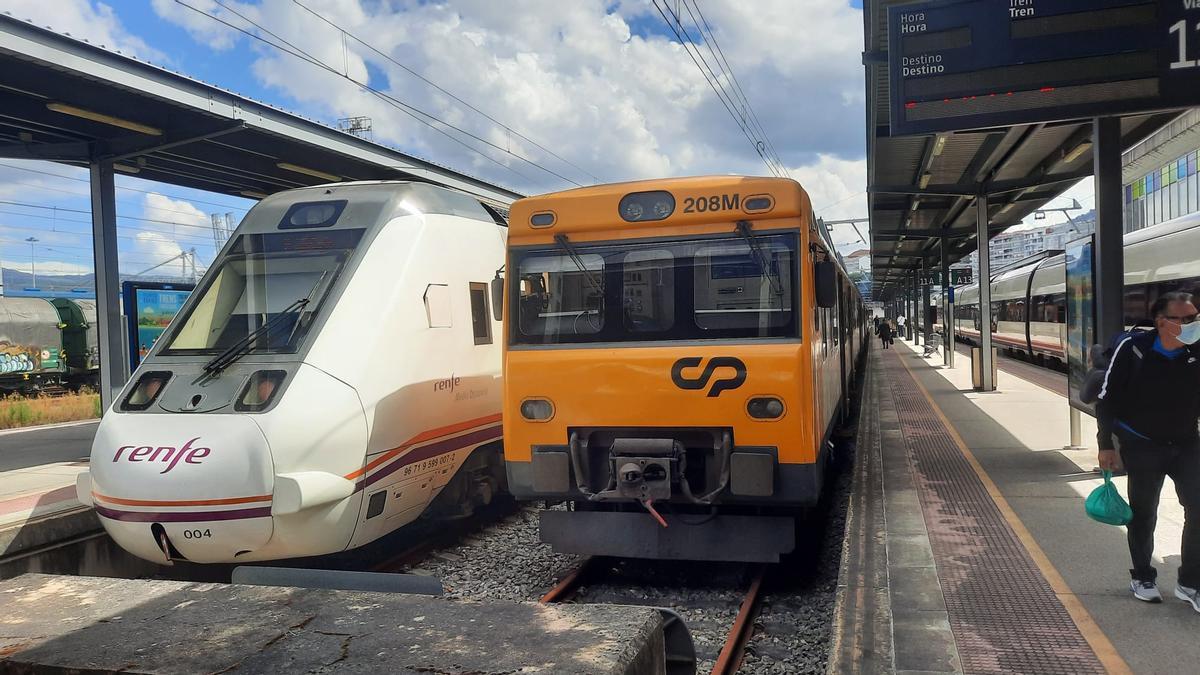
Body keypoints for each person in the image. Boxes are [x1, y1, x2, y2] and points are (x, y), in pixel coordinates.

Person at [1096, 292, 1200, 610]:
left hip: (1186, 443)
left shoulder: (1197, 350)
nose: (1189, 324)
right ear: (1160, 321)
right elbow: (1107, 397)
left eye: (1193, 318)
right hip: (1141, 443)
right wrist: (1105, 446)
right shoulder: (1134, 348)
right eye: (1181, 319)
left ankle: (1190, 583)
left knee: (1198, 510)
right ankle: (1143, 575)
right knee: (1144, 513)